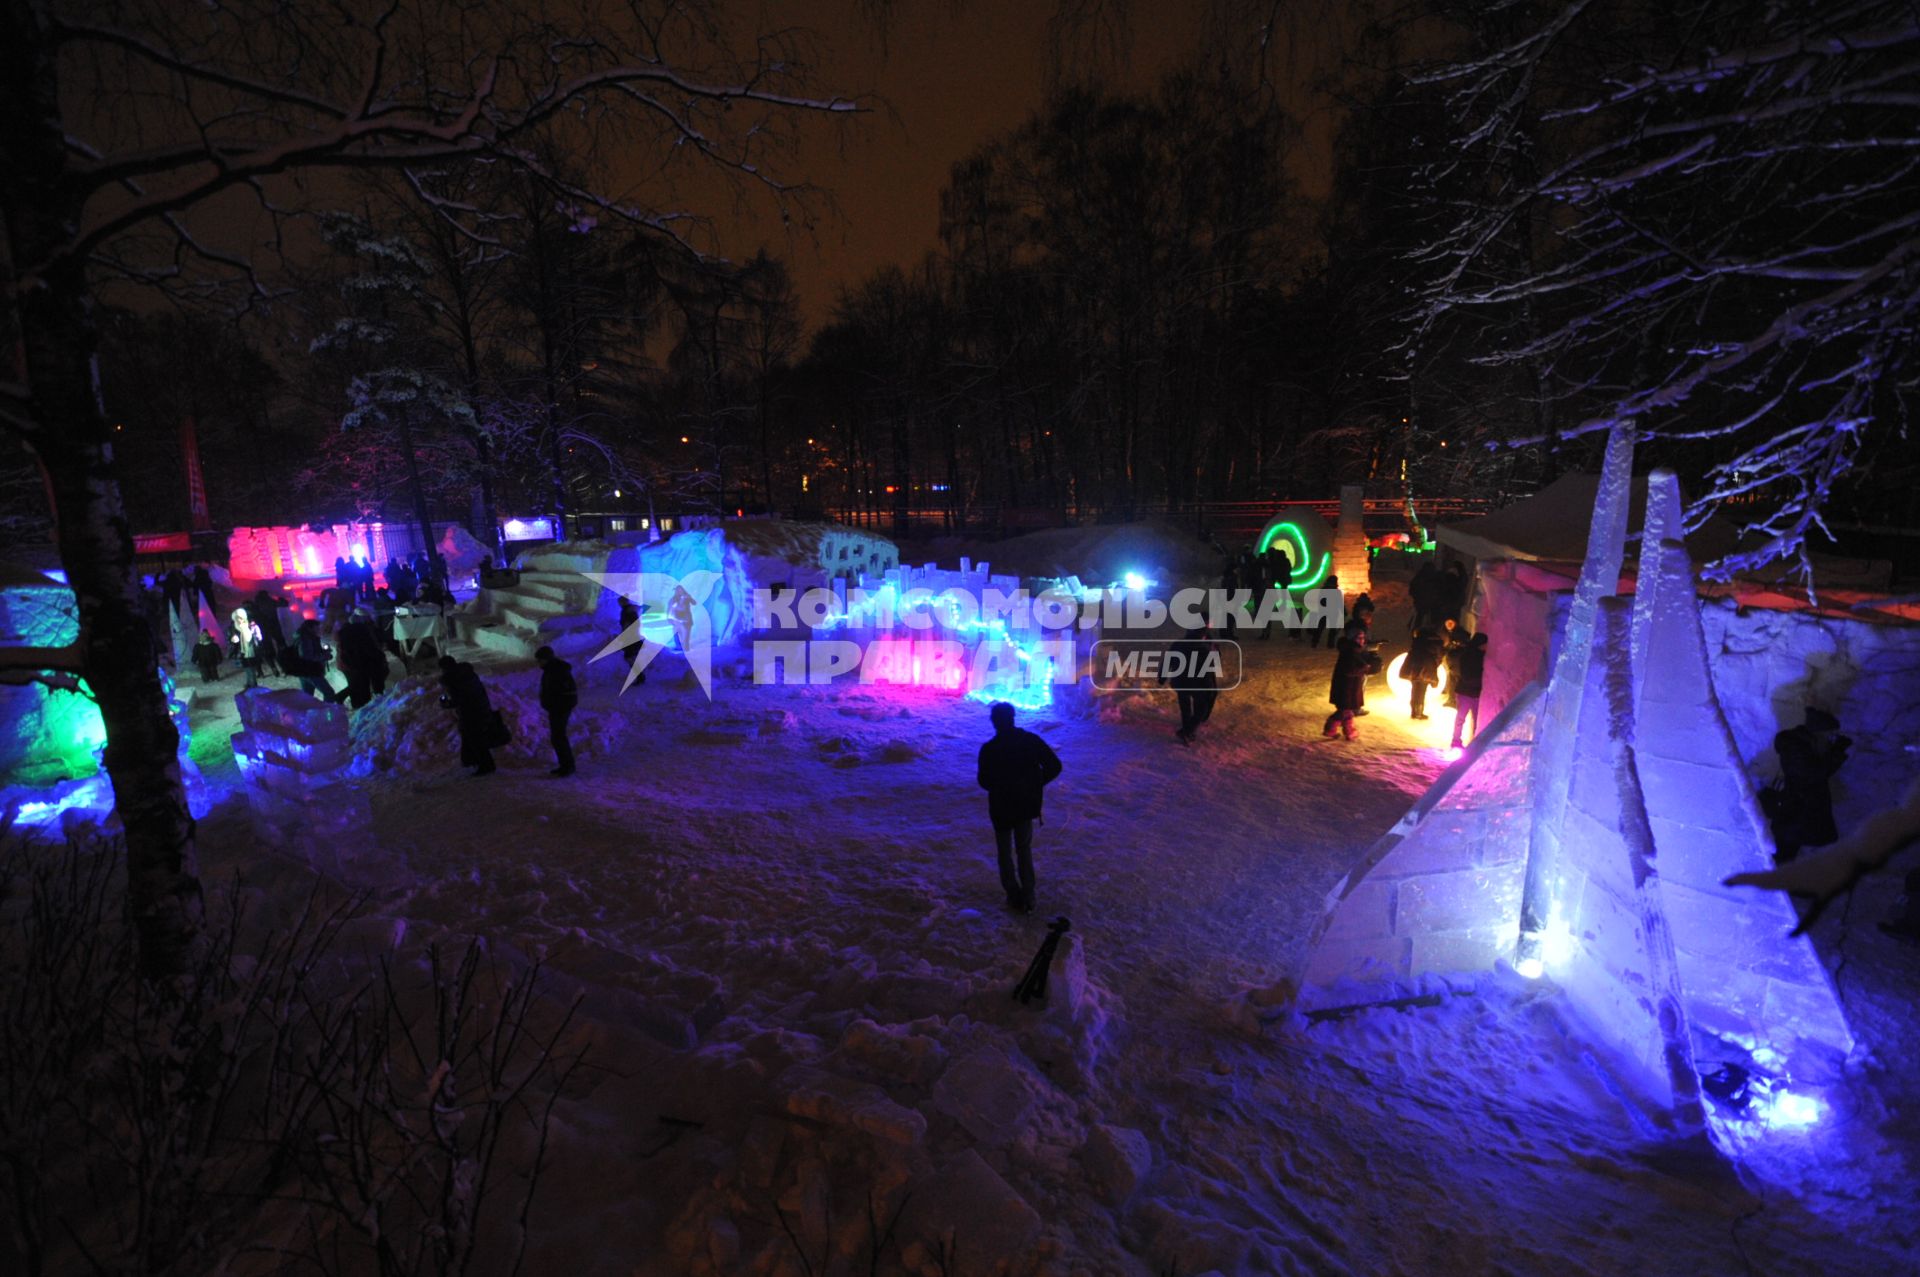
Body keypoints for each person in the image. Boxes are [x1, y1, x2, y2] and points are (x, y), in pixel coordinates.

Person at [976, 701, 1063, 913]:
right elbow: (1055, 765)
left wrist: (1000, 786)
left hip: (1000, 808)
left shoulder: (989, 749)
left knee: (1004, 852)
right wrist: (1035, 783)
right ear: (1013, 717)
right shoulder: (1030, 741)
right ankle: (1028, 895)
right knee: (1024, 849)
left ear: (994, 722)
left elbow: (984, 781)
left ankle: (1013, 894)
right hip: (1025, 805)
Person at [1767, 708, 1851, 862]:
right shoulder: (1795, 748)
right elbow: (1814, 773)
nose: (1831, 739)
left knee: (1788, 856)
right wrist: (1836, 753)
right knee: (1782, 856)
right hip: (1793, 814)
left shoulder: (1806, 747)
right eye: (1829, 735)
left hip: (1799, 815)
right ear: (1818, 733)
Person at [439, 655, 497, 776]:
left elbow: (458, 699)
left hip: (470, 713)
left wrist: (445, 703)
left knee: (476, 739)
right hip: (481, 707)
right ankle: (470, 760)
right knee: (471, 736)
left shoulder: (453, 679)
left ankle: (486, 766)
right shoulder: (468, 674)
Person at [1162, 624, 1219, 745]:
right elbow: (1208, 672)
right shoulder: (1204, 649)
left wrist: (1162, 676)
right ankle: (1187, 731)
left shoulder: (1177, 644)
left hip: (1180, 683)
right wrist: (1211, 689)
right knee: (1201, 709)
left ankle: (1187, 728)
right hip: (1197, 685)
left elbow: (1167, 661)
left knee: (1185, 707)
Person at [535, 645, 579, 776]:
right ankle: (565, 765)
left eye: (540, 660)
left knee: (558, 737)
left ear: (546, 659)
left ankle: (567, 766)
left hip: (560, 709)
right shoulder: (552, 670)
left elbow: (564, 692)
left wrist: (555, 705)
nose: (538, 663)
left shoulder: (557, 671)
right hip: (557, 708)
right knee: (558, 737)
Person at [334, 609, 387, 708]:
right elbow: (368, 647)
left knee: (356, 685)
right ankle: (362, 706)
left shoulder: (345, 631)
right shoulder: (360, 631)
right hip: (356, 663)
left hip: (349, 664)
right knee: (359, 685)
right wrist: (379, 657)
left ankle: (357, 704)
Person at [1323, 635, 1369, 740]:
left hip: (1348, 687)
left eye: (1363, 638)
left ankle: (1349, 731)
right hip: (1346, 688)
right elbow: (1349, 670)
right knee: (1344, 710)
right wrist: (1365, 668)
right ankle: (1331, 730)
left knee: (1347, 711)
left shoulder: (1352, 650)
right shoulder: (1351, 652)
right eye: (1359, 638)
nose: (1362, 640)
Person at [286, 618, 339, 702]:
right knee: (329, 693)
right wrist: (325, 656)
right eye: (316, 627)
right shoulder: (306, 639)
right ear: (309, 628)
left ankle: (306, 713)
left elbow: (309, 652)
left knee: (308, 696)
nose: (319, 629)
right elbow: (307, 656)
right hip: (310, 670)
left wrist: (323, 651)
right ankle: (326, 713)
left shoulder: (305, 636)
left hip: (304, 670)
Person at [1450, 633, 1489, 748]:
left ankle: (1473, 742)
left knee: (1475, 719)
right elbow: (1467, 676)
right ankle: (1456, 740)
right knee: (1461, 717)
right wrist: (1481, 681)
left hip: (1473, 692)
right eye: (1484, 644)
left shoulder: (1481, 656)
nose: (1486, 646)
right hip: (1466, 692)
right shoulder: (1468, 656)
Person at [1405, 626, 1445, 720]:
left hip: (1414, 669)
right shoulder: (1436, 642)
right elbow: (1439, 656)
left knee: (1415, 691)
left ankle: (1414, 712)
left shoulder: (1417, 642)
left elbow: (1412, 654)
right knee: (1421, 692)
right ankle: (1419, 713)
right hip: (1427, 669)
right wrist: (1435, 664)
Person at [228, 606, 264, 689]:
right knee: (247, 668)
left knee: (251, 668)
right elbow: (231, 639)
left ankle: (253, 684)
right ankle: (250, 682)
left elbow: (254, 637)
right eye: (237, 618)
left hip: (251, 651)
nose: (239, 620)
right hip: (242, 652)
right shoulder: (234, 628)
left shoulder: (250, 625)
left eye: (241, 618)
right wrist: (233, 639)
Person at [618, 596, 646, 682]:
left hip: (630, 638)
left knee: (629, 657)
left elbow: (627, 625)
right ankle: (640, 676)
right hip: (633, 637)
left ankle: (640, 676)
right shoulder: (632, 610)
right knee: (631, 657)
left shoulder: (626, 611)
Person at [1410, 561, 1442, 631]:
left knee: (1420, 617)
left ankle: (1416, 630)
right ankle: (1430, 631)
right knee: (1431, 617)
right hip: (1431, 601)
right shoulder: (1435, 577)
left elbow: (1412, 589)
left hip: (1422, 601)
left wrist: (1417, 597)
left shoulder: (1419, 576)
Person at [1310, 574, 1339, 649]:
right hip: (1332, 611)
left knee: (1320, 627)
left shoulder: (1323, 589)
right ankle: (1330, 644)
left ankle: (1315, 642)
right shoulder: (1335, 590)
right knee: (1332, 628)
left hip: (1324, 611)